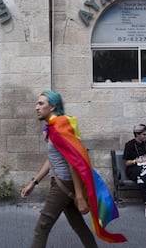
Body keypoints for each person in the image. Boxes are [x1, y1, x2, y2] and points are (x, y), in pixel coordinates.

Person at [20, 91, 99, 248]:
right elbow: (52, 159)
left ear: (52, 107)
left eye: (41, 104)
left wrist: (80, 196)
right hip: (63, 182)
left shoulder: (59, 129)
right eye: (37, 103)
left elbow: (73, 163)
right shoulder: (54, 128)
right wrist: (33, 182)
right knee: (78, 225)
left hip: (63, 184)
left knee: (42, 227)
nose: (36, 107)